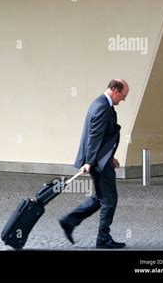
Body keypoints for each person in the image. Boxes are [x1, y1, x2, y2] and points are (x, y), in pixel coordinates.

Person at [59, 79, 129, 249]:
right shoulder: (102, 107)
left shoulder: (102, 104)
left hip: (101, 161)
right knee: (110, 200)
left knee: (100, 198)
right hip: (99, 164)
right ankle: (103, 239)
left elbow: (103, 137)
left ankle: (69, 221)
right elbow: (94, 137)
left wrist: (110, 157)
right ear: (115, 90)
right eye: (123, 95)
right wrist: (89, 162)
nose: (124, 99)